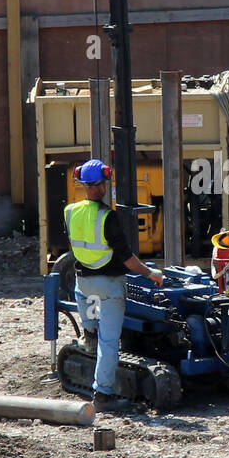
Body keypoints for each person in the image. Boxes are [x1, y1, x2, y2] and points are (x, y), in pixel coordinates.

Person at [65, 159, 163, 411]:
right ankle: (103, 394)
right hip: (109, 288)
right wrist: (150, 272)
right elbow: (128, 260)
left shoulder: (69, 212)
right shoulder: (108, 217)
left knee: (82, 296)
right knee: (109, 343)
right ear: (101, 186)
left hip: (84, 284)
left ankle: (88, 331)